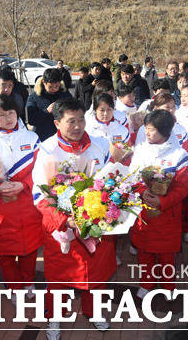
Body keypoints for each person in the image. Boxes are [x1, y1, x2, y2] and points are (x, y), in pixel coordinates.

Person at [31, 98, 114, 338]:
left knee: (97, 277)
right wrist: (63, 219)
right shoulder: (47, 149)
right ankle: (54, 318)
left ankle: (94, 312)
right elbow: (38, 194)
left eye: (81, 120)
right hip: (62, 229)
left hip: (96, 227)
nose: (78, 126)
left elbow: (113, 181)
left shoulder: (100, 145)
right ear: (57, 123)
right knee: (58, 279)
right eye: (71, 121)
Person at [0, 95, 43, 305]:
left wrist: (24, 185)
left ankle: (28, 282)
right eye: (2, 115)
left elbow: (42, 169)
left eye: (11, 112)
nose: (8, 118)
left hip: (28, 205)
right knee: (5, 254)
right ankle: (14, 287)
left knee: (30, 250)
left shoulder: (31, 138)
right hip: (0, 209)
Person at [129, 109, 188, 297]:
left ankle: (168, 286)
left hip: (167, 215)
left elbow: (183, 188)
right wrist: (142, 192)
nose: (147, 133)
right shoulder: (140, 150)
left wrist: (162, 201)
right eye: (146, 128)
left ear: (165, 132)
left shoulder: (179, 155)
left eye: (152, 130)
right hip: (144, 211)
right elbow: (132, 178)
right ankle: (146, 284)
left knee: (166, 255)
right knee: (145, 252)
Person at [26, 68, 73, 141]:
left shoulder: (64, 93)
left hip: (64, 136)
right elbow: (30, 119)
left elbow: (75, 109)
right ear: (44, 82)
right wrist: (46, 111)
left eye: (57, 86)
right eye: (50, 87)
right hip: (44, 137)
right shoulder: (34, 97)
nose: (54, 89)